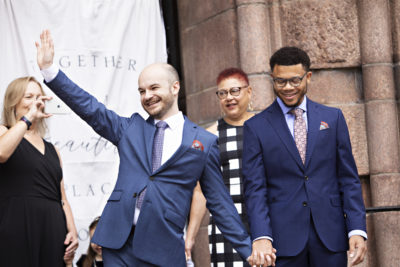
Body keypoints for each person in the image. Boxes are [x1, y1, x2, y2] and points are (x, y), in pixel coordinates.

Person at [36, 30, 252, 266]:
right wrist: (50, 71)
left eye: (154, 88)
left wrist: (248, 251)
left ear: (175, 87)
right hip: (118, 244)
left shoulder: (203, 141)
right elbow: (90, 108)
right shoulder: (129, 129)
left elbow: (219, 202)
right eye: (141, 91)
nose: (147, 96)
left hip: (164, 247)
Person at [243, 46, 367, 267]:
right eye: (280, 81)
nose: (288, 87)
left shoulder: (333, 118)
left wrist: (356, 228)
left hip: (331, 238)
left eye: (295, 80)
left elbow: (348, 179)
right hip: (282, 242)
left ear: (308, 77)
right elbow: (255, 188)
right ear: (272, 79)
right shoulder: (256, 127)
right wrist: (261, 236)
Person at [0, 76, 78, 267]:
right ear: (13, 103)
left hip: (53, 227)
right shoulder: (3, 131)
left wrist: (73, 231)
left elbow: (63, 198)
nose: (36, 101)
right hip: (17, 224)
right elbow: (1, 152)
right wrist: (27, 119)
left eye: (39, 97)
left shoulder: (53, 150)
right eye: (28, 97)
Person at [185, 68, 255, 266]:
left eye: (235, 91)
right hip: (225, 223)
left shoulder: (265, 128)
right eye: (222, 93)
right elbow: (200, 191)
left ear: (249, 92)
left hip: (263, 220)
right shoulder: (209, 136)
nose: (229, 98)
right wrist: (190, 237)